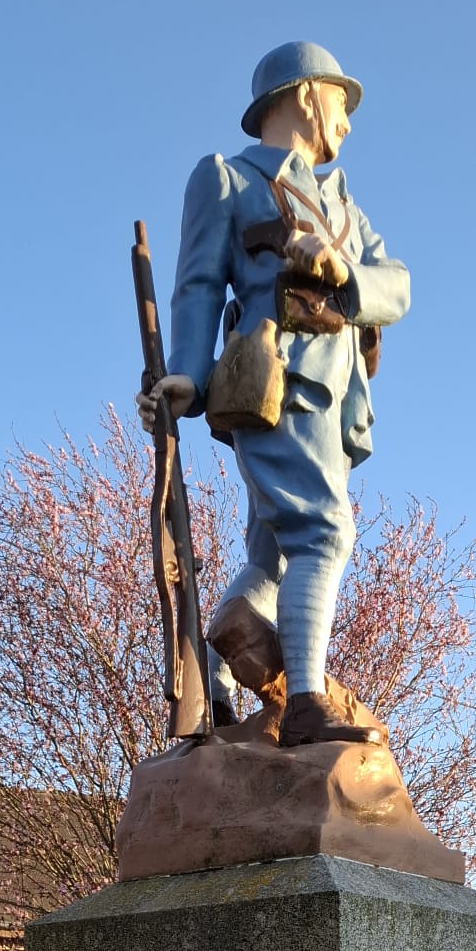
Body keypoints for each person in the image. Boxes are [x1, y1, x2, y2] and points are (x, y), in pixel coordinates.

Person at [137, 41, 410, 745]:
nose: (345, 121)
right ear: (306, 94)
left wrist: (342, 269)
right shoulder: (228, 178)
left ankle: (216, 675)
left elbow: (398, 286)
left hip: (338, 397)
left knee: (277, 556)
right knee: (326, 532)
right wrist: (190, 376)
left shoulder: (345, 205)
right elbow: (198, 284)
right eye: (340, 102)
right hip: (275, 382)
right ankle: (308, 705)